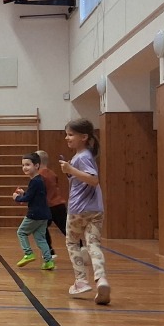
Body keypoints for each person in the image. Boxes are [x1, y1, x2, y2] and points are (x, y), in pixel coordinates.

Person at [59, 118, 109, 304]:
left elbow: (93, 180)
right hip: (96, 209)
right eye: (66, 134)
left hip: (78, 209)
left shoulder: (83, 157)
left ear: (84, 137)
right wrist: (69, 171)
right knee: (93, 244)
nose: (67, 138)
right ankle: (101, 279)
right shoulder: (84, 156)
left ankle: (81, 280)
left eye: (70, 135)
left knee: (72, 242)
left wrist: (71, 169)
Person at [13, 152, 53, 270]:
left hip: (34, 214)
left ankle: (28, 253)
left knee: (21, 232)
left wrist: (17, 198)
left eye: (28, 164)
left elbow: (28, 198)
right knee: (40, 238)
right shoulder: (39, 180)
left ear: (36, 166)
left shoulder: (35, 181)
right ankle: (49, 261)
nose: (25, 167)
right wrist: (24, 193)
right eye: (23, 165)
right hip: (44, 214)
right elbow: (34, 196)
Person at [36, 149, 67, 260]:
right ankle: (81, 247)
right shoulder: (52, 174)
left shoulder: (39, 176)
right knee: (66, 228)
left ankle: (49, 252)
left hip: (47, 206)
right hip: (59, 205)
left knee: (40, 229)